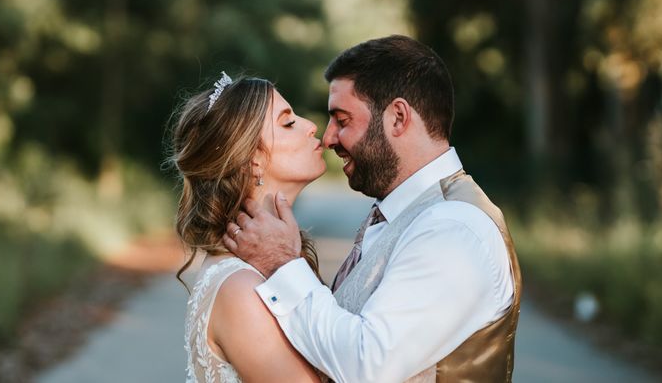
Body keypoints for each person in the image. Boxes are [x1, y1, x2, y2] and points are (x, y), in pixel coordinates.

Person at [223, 36, 522, 383]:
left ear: (397, 117)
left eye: (343, 120)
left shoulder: (454, 228)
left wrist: (282, 265)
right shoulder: (403, 214)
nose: (329, 137)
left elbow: (367, 367)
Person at [171, 72, 327, 383]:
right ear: (253, 159)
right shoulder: (240, 290)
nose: (311, 126)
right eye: (288, 123)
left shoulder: (250, 272)